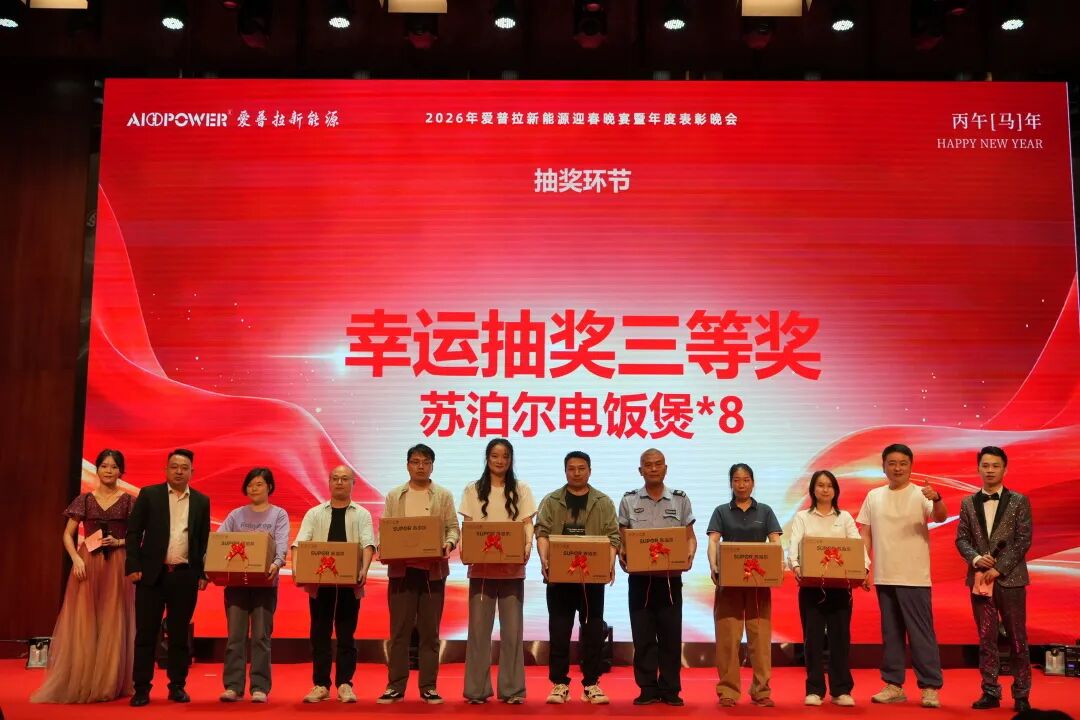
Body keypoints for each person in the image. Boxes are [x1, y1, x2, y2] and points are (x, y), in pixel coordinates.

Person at [31, 449, 136, 703]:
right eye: (104, 466)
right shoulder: (85, 500)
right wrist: (76, 559)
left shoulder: (129, 501)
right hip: (87, 563)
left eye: (114, 466)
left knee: (113, 620)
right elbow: (67, 535)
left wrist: (119, 542)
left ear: (121, 471)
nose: (109, 470)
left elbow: (139, 536)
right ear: (97, 469)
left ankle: (108, 682)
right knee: (85, 620)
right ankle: (83, 679)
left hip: (117, 565)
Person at [858, 443, 947, 708]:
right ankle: (894, 685)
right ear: (883, 466)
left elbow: (940, 517)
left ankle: (930, 687)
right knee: (891, 634)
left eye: (903, 463)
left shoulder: (922, 494)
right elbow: (866, 534)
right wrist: (864, 567)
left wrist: (937, 499)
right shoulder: (874, 496)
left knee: (921, 633)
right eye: (892, 463)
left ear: (911, 466)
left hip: (914, 577)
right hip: (884, 576)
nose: (897, 468)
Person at [126, 448, 212, 706]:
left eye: (184, 468)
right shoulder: (149, 495)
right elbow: (133, 532)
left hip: (184, 576)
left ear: (192, 472)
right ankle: (141, 688)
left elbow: (203, 540)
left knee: (179, 635)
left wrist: (203, 573)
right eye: (174, 466)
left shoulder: (201, 501)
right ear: (166, 469)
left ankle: (177, 686)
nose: (178, 471)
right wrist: (133, 565)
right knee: (146, 634)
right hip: (151, 575)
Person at [535, 450, 620, 705]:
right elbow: (542, 532)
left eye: (582, 468)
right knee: (559, 631)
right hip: (560, 579)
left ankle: (591, 683)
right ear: (565, 471)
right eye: (571, 469)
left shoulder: (603, 502)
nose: (577, 473)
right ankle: (559, 684)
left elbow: (613, 537)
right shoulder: (552, 500)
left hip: (591, 580)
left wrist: (609, 563)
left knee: (593, 631)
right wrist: (544, 559)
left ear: (590, 471)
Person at [377, 443, 460, 704]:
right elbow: (385, 530)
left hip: (432, 573)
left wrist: (448, 544)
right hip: (401, 572)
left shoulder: (443, 495)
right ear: (407, 466)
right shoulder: (395, 495)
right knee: (399, 632)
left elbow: (453, 528)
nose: (420, 466)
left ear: (432, 466)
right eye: (415, 462)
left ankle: (428, 686)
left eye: (425, 462)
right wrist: (383, 547)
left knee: (429, 633)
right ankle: (395, 686)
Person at [955, 446, 1033, 713]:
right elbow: (961, 539)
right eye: (985, 465)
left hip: (1011, 579)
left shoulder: (1019, 501)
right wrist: (977, 559)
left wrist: (999, 568)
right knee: (986, 638)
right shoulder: (967, 503)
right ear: (978, 468)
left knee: (1017, 638)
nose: (990, 470)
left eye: (995, 466)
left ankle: (1021, 694)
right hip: (980, 580)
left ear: (1004, 469)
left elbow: (1023, 540)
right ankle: (990, 692)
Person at [459, 438, 537, 704]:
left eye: (505, 456)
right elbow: (468, 526)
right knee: (478, 633)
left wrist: (526, 546)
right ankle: (476, 691)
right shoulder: (472, 490)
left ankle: (512, 690)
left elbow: (527, 523)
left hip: (512, 570)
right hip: (481, 571)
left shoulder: (521, 490)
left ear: (511, 460)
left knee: (512, 633)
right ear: (487, 458)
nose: (500, 461)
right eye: (495, 456)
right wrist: (466, 550)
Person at [617, 448, 696, 707]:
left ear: (665, 468)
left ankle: (671, 688)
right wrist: (622, 555)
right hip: (640, 579)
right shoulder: (629, 500)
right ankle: (648, 688)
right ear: (640, 470)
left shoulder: (680, 500)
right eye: (648, 465)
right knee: (643, 636)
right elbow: (622, 537)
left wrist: (689, 556)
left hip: (670, 579)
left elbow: (689, 537)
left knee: (671, 636)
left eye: (658, 464)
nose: (653, 468)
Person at [294, 465, 375, 704]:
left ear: (353, 484)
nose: (340, 482)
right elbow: (299, 543)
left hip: (350, 585)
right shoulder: (314, 513)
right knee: (319, 633)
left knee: (346, 634)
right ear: (329, 482)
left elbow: (368, 544)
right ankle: (320, 684)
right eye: (335, 478)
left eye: (345, 479)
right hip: (320, 584)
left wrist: (364, 569)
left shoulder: (361, 514)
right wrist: (298, 570)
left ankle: (345, 684)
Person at [787, 469, 869, 708]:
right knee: (812, 640)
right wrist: (796, 566)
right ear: (813, 489)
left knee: (840, 638)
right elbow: (794, 546)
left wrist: (864, 568)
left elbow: (857, 546)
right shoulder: (803, 517)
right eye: (820, 485)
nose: (825, 489)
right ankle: (814, 690)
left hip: (840, 588)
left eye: (829, 485)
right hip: (811, 587)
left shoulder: (844, 518)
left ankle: (841, 690)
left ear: (835, 490)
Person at [707, 462, 782, 707]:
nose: (741, 485)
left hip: (758, 585)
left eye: (746, 480)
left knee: (760, 638)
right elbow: (713, 541)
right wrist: (713, 565)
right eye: (737, 480)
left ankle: (761, 690)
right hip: (729, 585)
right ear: (731, 483)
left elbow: (775, 542)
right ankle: (728, 691)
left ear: (753, 482)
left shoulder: (765, 511)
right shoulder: (721, 511)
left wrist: (776, 566)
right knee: (728, 639)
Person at [217, 468, 291, 704]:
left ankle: (260, 687)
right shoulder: (236, 515)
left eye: (259, 484)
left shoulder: (278, 514)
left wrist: (277, 563)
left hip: (265, 583)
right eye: (250, 485)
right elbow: (219, 540)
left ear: (269, 487)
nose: (254, 488)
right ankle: (233, 686)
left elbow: (282, 543)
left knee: (260, 636)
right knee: (235, 636)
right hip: (236, 584)